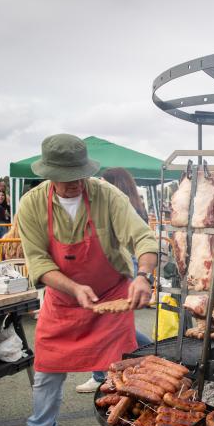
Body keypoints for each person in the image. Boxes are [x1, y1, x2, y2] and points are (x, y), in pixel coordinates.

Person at [0, 134, 158, 426]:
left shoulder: (105, 195)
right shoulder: (31, 204)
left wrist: (144, 275)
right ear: (48, 174)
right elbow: (38, 261)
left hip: (112, 292)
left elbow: (142, 238)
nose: (71, 185)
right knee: (47, 371)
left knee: (119, 376)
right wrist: (73, 287)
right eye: (63, 178)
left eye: (77, 177)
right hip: (63, 299)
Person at [74, 167, 153, 394]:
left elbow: (133, 241)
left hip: (124, 268)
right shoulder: (133, 204)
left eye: (103, 180)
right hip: (127, 267)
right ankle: (152, 353)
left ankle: (102, 374)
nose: (98, 184)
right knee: (115, 324)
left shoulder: (120, 204)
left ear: (114, 184)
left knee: (109, 324)